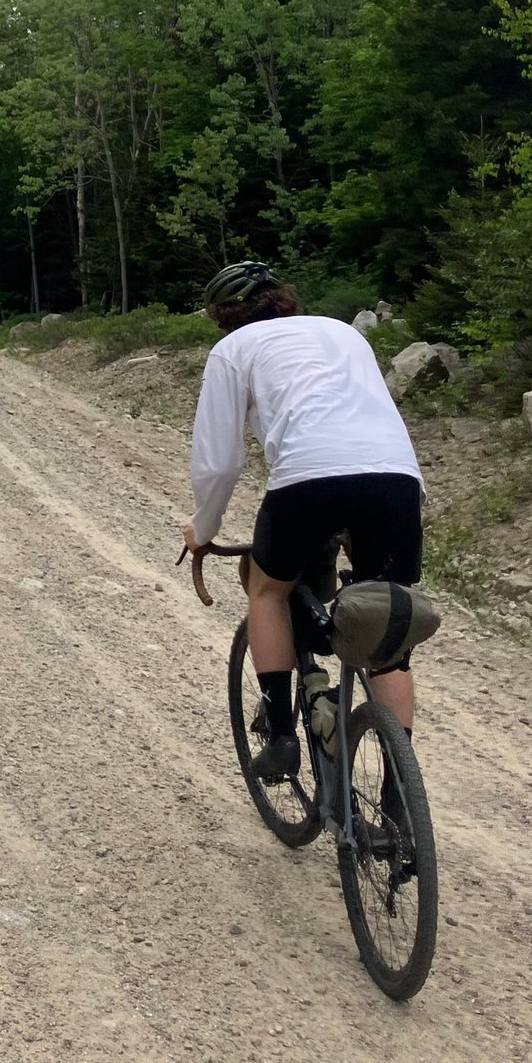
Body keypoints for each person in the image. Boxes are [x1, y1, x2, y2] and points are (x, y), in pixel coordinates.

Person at [183, 261, 425, 782]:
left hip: (308, 479)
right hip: (395, 477)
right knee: (387, 632)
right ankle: (400, 790)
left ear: (221, 316)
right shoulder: (343, 332)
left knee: (267, 589)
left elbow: (218, 462)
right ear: (284, 299)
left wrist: (202, 531)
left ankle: (281, 736)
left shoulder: (233, 349)